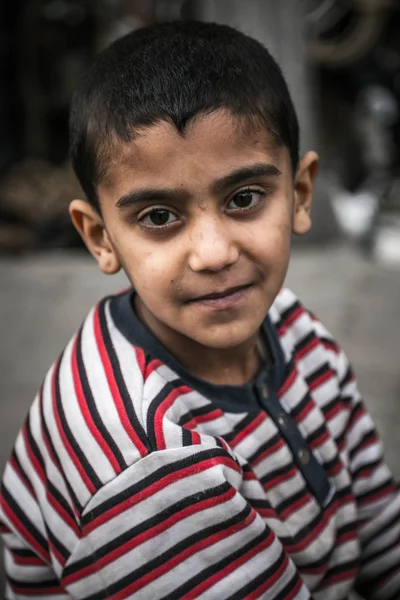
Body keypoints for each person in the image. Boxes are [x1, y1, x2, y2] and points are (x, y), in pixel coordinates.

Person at [1, 21, 399, 600]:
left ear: (301, 194)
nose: (214, 255)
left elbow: (378, 520)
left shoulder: (289, 324)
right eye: (159, 216)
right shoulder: (147, 468)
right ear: (100, 238)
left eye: (244, 199)